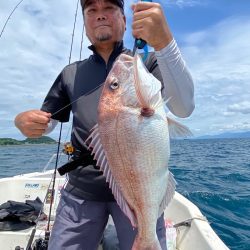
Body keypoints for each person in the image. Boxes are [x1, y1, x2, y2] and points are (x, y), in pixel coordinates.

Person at [14, 0, 195, 249]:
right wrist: (26, 123)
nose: (100, 15)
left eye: (109, 8)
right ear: (86, 23)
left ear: (123, 18)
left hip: (138, 194)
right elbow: (49, 121)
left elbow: (184, 107)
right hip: (81, 190)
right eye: (92, 10)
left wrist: (165, 44)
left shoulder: (149, 62)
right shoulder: (71, 73)